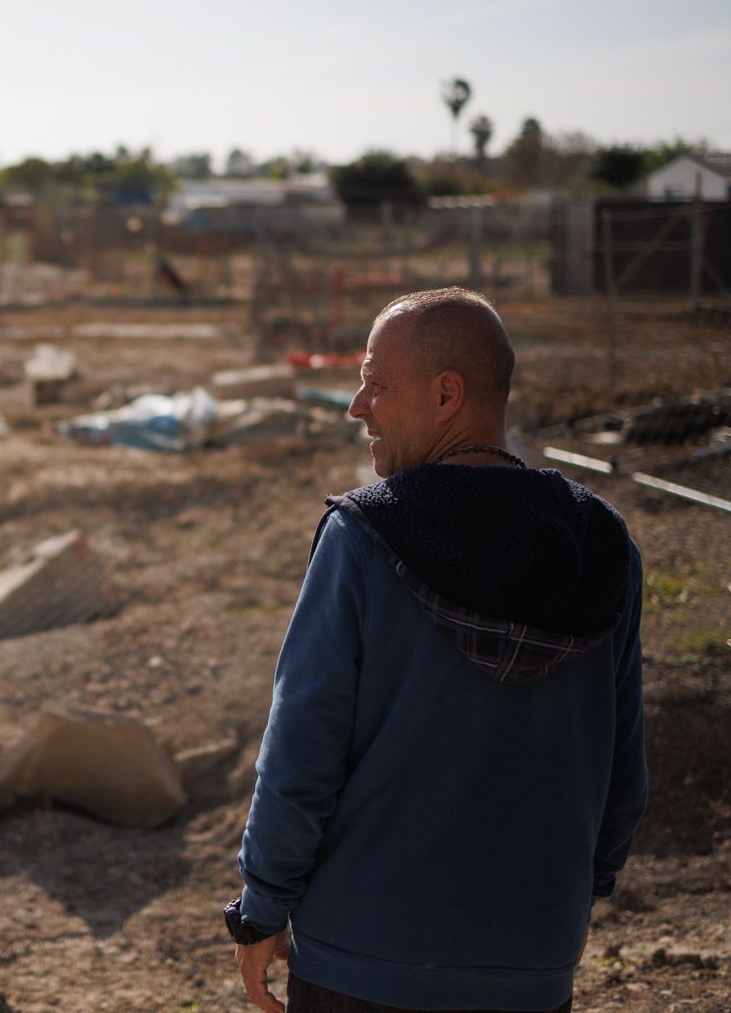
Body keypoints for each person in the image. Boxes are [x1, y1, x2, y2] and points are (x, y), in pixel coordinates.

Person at [227, 287, 648, 1013]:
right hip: (532, 959)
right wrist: (576, 893)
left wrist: (262, 907)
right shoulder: (601, 544)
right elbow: (624, 765)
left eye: (376, 385)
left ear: (447, 394)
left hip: (362, 962)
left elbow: (301, 753)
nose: (358, 408)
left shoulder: (362, 539)